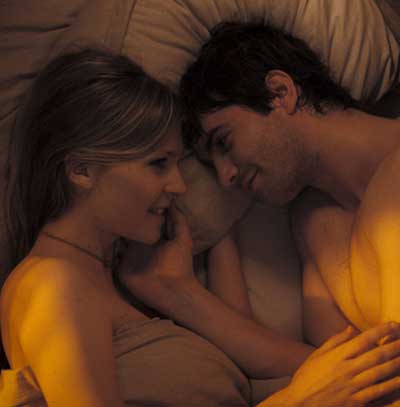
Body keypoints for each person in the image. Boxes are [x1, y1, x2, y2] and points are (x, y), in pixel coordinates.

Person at [1, 47, 400, 407]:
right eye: (158, 163)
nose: (179, 185)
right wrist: (299, 402)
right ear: (82, 170)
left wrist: (186, 279)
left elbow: (327, 370)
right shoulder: (53, 284)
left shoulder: (114, 287)